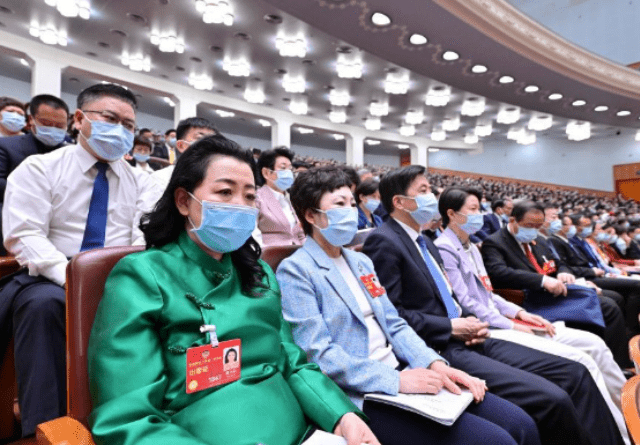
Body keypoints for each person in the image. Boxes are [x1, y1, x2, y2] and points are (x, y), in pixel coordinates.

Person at [88, 135, 378, 445]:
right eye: (225, 192)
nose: (240, 205)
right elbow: (129, 417)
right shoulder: (144, 275)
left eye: (250, 196)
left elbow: (290, 361)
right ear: (184, 201)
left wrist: (341, 415)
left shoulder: (258, 273)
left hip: (301, 434)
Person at [362, 165, 624, 445]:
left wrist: (470, 321)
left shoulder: (424, 241)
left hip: (472, 333)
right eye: (423, 190)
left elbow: (452, 297)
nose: (432, 196)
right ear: (399, 202)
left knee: (575, 372)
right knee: (553, 398)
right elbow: (392, 315)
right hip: (440, 344)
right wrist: (450, 326)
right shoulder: (384, 241)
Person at [277, 166, 540, 445]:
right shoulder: (296, 271)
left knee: (519, 423)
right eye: (339, 204)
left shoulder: (360, 262)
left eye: (352, 204)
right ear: (311, 215)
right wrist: (396, 380)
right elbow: (317, 353)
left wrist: (434, 363)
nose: (350, 212)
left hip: (406, 368)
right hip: (364, 389)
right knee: (496, 441)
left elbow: (394, 323)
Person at [0, 83, 153, 437]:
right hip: (49, 274)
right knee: (44, 306)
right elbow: (26, 235)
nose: (120, 131)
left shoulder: (140, 180)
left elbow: (143, 235)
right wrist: (73, 278)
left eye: (128, 125)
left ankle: (133, 419)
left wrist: (124, 278)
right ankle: (48, 428)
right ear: (80, 119)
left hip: (118, 273)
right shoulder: (40, 168)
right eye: (110, 119)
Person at [434, 187, 629, 444]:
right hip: (487, 327)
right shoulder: (444, 248)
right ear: (451, 214)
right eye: (473, 209)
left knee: (595, 345)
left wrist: (521, 314)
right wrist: (512, 324)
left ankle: (627, 411)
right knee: (582, 361)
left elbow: (489, 295)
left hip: (506, 317)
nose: (479, 215)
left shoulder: (470, 246)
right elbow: (467, 302)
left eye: (479, 209)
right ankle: (618, 434)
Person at [480, 202, 630, 369]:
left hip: (555, 290)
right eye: (529, 226)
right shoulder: (494, 242)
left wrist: (563, 273)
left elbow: (558, 263)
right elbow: (498, 272)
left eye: (538, 226)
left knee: (613, 298)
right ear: (513, 220)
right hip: (530, 298)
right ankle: (618, 364)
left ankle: (611, 360)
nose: (534, 230)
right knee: (608, 307)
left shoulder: (538, 240)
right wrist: (542, 280)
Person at [149, 117, 218, 199]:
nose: (208, 144)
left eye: (212, 140)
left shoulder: (219, 180)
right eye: (200, 138)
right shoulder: (161, 178)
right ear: (181, 146)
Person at [256, 147, 305, 246]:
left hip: (297, 251)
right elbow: (254, 236)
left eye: (290, 169)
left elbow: (300, 234)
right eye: (283, 168)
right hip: (270, 252)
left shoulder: (292, 199)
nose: (289, 173)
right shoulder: (257, 198)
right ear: (266, 173)